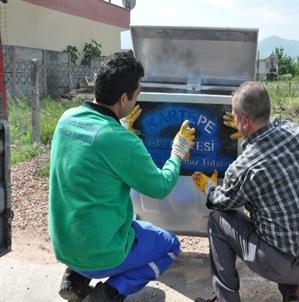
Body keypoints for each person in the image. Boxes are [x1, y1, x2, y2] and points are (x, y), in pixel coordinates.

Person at [48, 51, 195, 302]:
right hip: (101, 252)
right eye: (137, 94)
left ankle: (75, 277)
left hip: (63, 244)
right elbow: (160, 186)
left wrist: (119, 126)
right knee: (170, 246)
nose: (138, 99)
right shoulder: (122, 141)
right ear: (124, 97)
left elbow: (94, 154)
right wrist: (178, 151)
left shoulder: (66, 119)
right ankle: (109, 293)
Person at [192, 81, 299, 302]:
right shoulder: (296, 133)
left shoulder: (246, 167)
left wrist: (209, 186)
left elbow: (220, 202)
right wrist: (246, 130)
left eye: (234, 116)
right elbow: (277, 123)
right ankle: (292, 293)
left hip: (279, 264)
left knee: (217, 220)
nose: (232, 119)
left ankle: (226, 298)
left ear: (243, 120)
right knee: (283, 215)